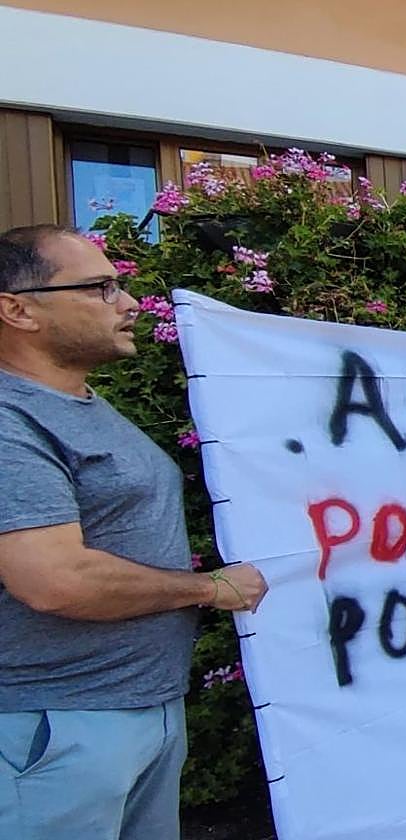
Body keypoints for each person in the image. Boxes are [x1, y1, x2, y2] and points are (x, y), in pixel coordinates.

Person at [0, 225, 268, 840]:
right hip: (56, 731)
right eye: (99, 288)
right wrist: (206, 590)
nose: (128, 304)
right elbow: (54, 580)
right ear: (17, 309)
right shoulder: (12, 419)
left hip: (137, 713)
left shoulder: (79, 405)